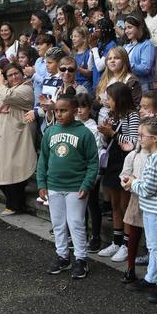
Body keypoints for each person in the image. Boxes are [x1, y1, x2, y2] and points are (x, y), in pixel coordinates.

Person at [38, 94, 99, 279]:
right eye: (56, 110)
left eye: (63, 110)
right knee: (58, 223)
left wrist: (87, 184)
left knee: (76, 223)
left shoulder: (84, 133)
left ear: (74, 110)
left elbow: (93, 162)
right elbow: (43, 159)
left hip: (76, 187)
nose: (59, 114)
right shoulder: (50, 132)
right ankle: (63, 256)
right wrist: (41, 182)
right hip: (54, 185)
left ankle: (81, 259)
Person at [123, 118, 157, 304]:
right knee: (153, 246)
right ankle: (151, 278)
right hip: (152, 208)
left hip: (156, 210)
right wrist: (137, 181)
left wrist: (133, 183)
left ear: (153, 139)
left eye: (141, 135)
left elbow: (147, 189)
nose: (139, 139)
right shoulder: (156, 158)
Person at [0, 63, 37, 215]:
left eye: (16, 73)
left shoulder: (26, 88)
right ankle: (14, 201)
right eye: (10, 75)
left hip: (14, 134)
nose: (14, 77)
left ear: (22, 73)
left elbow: (8, 96)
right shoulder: (4, 88)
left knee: (11, 168)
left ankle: (14, 204)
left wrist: (0, 85)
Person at [97, 82, 140, 262]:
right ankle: (116, 240)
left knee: (125, 206)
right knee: (114, 204)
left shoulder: (132, 116)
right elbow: (108, 141)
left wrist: (113, 133)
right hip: (112, 161)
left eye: (110, 98)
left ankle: (126, 244)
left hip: (126, 164)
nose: (107, 101)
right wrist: (105, 133)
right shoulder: (113, 115)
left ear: (119, 98)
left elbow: (131, 142)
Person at [76, 92, 105, 253]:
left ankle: (95, 236)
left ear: (89, 109)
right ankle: (82, 235)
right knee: (80, 205)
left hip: (90, 171)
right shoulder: (72, 124)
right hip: (76, 171)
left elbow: (96, 152)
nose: (80, 111)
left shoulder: (93, 128)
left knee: (92, 204)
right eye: (77, 107)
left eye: (83, 107)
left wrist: (93, 173)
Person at [123, 15, 156, 92]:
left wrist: (127, 64)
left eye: (130, 27)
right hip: (128, 85)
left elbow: (145, 68)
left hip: (142, 86)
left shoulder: (147, 45)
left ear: (139, 28)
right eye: (125, 28)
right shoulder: (125, 45)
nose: (126, 31)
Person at [89, 18, 117, 93]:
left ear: (104, 30)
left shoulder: (112, 45)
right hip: (96, 84)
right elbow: (90, 66)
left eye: (96, 29)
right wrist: (92, 48)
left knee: (104, 103)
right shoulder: (99, 43)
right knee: (97, 104)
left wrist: (94, 48)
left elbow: (100, 67)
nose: (94, 32)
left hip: (106, 85)